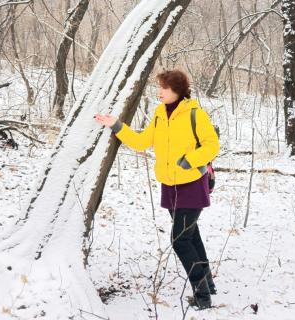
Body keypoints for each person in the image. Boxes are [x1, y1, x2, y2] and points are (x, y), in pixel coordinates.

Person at [94, 69, 220, 309]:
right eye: (159, 87)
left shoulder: (195, 113)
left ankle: (203, 296)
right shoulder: (160, 114)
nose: (159, 92)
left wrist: (190, 160)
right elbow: (142, 141)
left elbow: (212, 145)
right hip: (170, 184)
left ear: (177, 91)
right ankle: (208, 283)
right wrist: (116, 125)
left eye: (164, 88)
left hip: (192, 182)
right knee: (191, 235)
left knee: (180, 239)